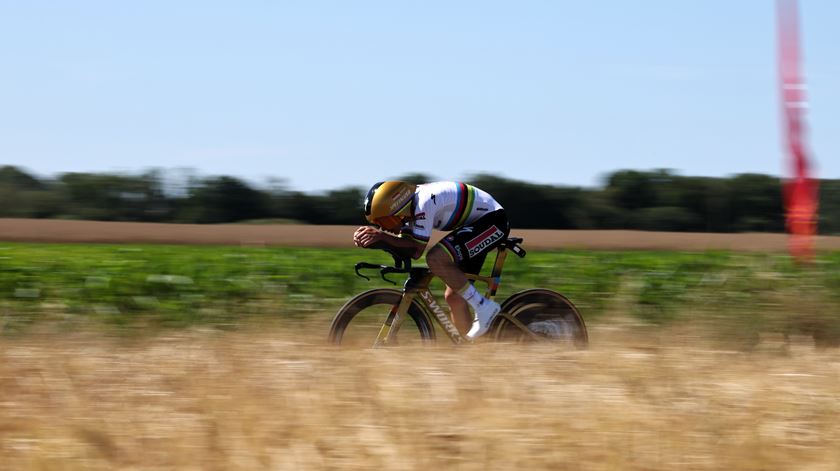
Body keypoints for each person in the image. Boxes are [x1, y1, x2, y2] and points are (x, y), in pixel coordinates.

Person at [353, 181, 510, 339]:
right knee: (454, 296)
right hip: (475, 225)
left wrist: (381, 237)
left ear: (398, 209)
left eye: (385, 221)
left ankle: (484, 307)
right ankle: (473, 349)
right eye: (378, 224)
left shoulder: (423, 203)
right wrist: (378, 242)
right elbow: (408, 250)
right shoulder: (409, 211)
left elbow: (416, 249)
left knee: (436, 259)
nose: (384, 228)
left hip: (493, 221)